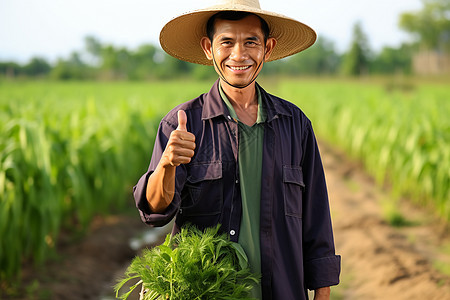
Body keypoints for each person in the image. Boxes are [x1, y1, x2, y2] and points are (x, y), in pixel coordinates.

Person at [133, 0, 341, 299]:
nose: (239, 55)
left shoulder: (294, 124)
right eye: (226, 42)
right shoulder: (183, 123)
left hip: (281, 289)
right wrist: (167, 164)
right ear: (208, 48)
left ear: (267, 48)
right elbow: (155, 211)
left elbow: (316, 217)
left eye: (250, 42)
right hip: (206, 291)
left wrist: (322, 292)